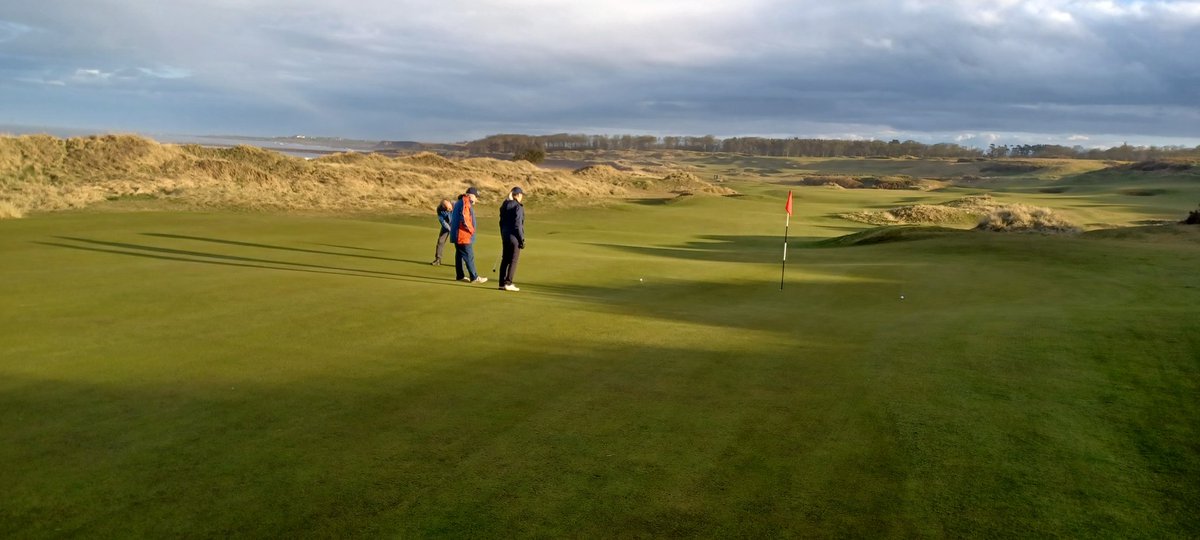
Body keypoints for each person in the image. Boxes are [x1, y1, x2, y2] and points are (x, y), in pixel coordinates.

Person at [448, 187, 487, 284]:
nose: (476, 199)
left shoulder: (460, 202)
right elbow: (465, 218)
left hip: (458, 234)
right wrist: (471, 230)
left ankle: (460, 276)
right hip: (463, 235)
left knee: (459, 255)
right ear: (470, 195)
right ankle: (474, 277)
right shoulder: (465, 202)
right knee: (469, 255)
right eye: (475, 197)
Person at [497, 186, 526, 291]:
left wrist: (503, 235)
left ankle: (501, 283)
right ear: (517, 195)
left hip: (505, 235)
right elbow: (518, 224)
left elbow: (501, 222)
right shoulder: (518, 206)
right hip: (514, 237)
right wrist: (521, 239)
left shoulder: (504, 205)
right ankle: (508, 283)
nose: (522, 197)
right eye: (521, 195)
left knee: (505, 259)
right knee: (513, 260)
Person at [431, 199, 453, 265]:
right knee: (440, 241)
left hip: (457, 225)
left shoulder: (456, 205)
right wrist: (450, 229)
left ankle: (462, 262)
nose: (449, 209)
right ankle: (438, 259)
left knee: (460, 244)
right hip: (447, 225)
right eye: (447, 208)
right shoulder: (439, 209)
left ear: (450, 203)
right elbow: (442, 221)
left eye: (450, 208)